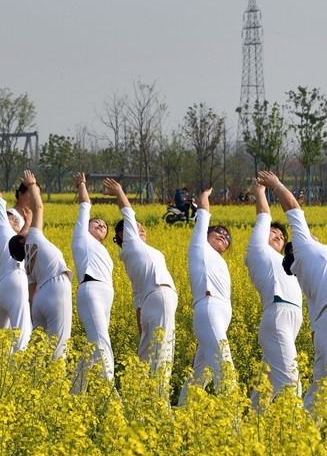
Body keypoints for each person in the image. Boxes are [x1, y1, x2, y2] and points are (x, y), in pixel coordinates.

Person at [258, 170, 327, 412]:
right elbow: (293, 208)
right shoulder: (303, 250)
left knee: (321, 384)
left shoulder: (315, 265)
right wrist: (277, 185)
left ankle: (305, 431)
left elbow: (315, 327)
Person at [107, 177, 178, 393]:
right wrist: (119, 192)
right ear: (124, 235)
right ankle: (157, 397)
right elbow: (128, 213)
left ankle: (139, 395)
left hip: (154, 299)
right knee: (162, 351)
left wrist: (142, 326)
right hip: (159, 295)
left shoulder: (137, 254)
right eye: (136, 228)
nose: (141, 229)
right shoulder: (131, 244)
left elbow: (137, 298)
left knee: (153, 349)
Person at [244, 176, 302, 401]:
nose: (278, 237)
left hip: (290, 319)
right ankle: (298, 432)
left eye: (281, 236)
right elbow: (264, 216)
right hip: (278, 314)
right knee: (291, 384)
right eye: (273, 233)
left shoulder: (287, 263)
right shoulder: (258, 251)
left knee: (265, 388)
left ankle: (252, 426)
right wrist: (260, 193)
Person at [179, 187, 234, 403]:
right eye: (217, 231)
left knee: (200, 374)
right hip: (209, 308)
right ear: (206, 234)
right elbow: (203, 215)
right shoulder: (199, 246)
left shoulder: (220, 261)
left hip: (219, 315)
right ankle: (234, 421)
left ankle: (182, 411)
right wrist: (204, 197)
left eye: (227, 236)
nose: (222, 235)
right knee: (224, 366)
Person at [70, 171, 115, 388]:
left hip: (105, 294)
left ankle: (74, 393)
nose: (101, 225)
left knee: (92, 346)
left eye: (104, 226)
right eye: (95, 222)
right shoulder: (82, 237)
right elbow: (85, 204)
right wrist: (82, 185)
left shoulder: (102, 250)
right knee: (101, 342)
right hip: (91, 289)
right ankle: (110, 395)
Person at [0, 168, 33, 353]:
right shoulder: (3, 226)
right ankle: (19, 365)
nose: (16, 221)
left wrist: (25, 224)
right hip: (13, 279)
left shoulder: (2, 237)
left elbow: (19, 242)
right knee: (22, 329)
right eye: (13, 220)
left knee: (1, 333)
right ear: (5, 219)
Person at [22, 175, 73, 360]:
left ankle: (29, 382)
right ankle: (56, 386)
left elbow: (30, 297)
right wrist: (33, 185)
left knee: (36, 349)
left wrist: (30, 319)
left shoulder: (27, 262)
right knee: (59, 348)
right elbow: (38, 207)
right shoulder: (34, 238)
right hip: (56, 289)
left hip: (39, 301)